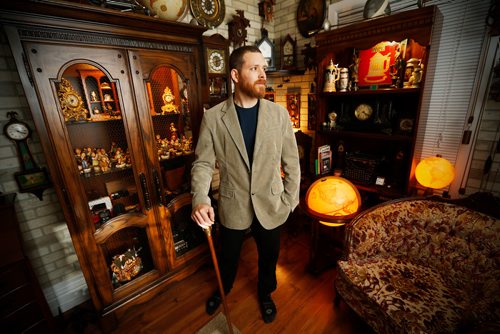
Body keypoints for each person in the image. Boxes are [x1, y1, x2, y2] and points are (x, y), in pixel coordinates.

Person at [190, 45, 300, 324]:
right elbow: (203, 163)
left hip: (273, 203)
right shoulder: (214, 117)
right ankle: (224, 289)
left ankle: (266, 294)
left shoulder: (279, 115)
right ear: (236, 75)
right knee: (228, 258)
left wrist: (290, 201)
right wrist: (200, 198)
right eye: (255, 69)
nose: (263, 74)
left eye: (264, 68)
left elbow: (292, 163)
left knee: (268, 259)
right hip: (232, 203)